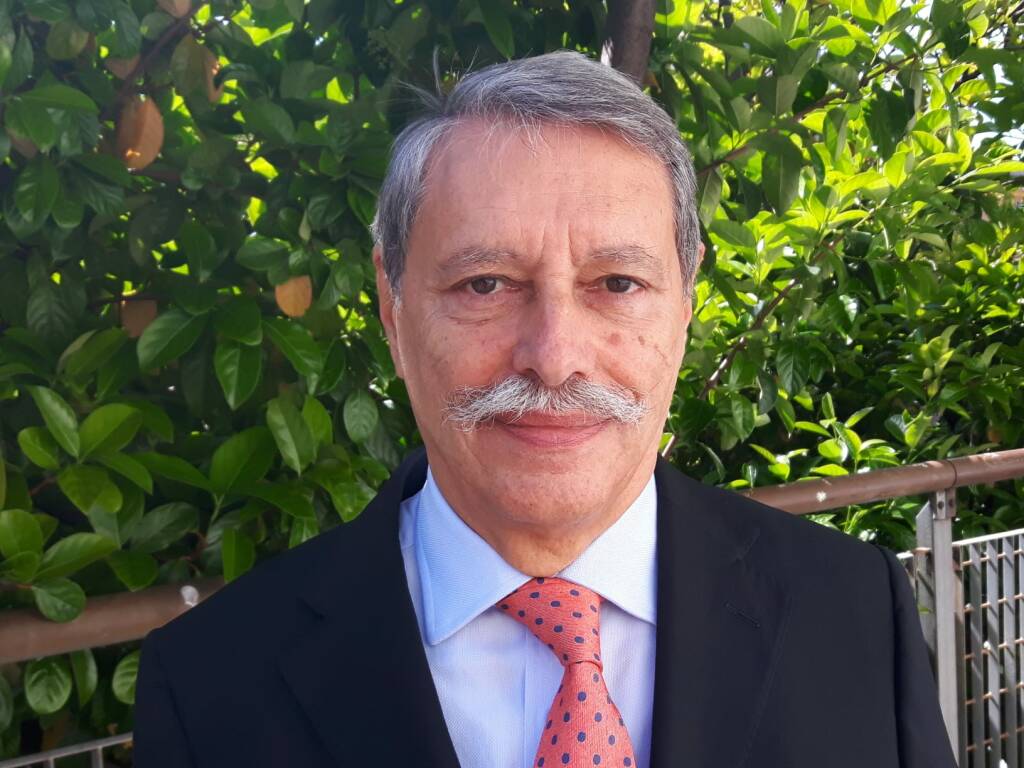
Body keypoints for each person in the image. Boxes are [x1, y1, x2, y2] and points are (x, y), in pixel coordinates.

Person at [133, 50, 956, 767]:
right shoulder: (211, 683)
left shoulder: (853, 610)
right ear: (392, 306)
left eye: (618, 283)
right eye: (485, 284)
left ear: (684, 305)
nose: (555, 357)